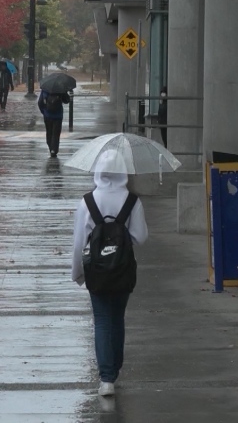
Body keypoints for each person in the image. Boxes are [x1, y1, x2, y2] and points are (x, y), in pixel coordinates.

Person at [71, 150, 148, 397]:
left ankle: (106, 379)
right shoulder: (132, 201)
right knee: (118, 317)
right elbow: (140, 236)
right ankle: (114, 368)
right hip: (123, 270)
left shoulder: (88, 201)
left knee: (102, 320)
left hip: (97, 272)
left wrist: (78, 273)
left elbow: (78, 242)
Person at [37, 88, 71, 157]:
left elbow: (40, 102)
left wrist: (43, 111)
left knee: (49, 132)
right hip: (58, 115)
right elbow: (66, 100)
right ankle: (54, 149)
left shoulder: (45, 89)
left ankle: (50, 147)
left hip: (47, 115)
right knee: (56, 133)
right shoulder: (61, 89)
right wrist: (65, 92)